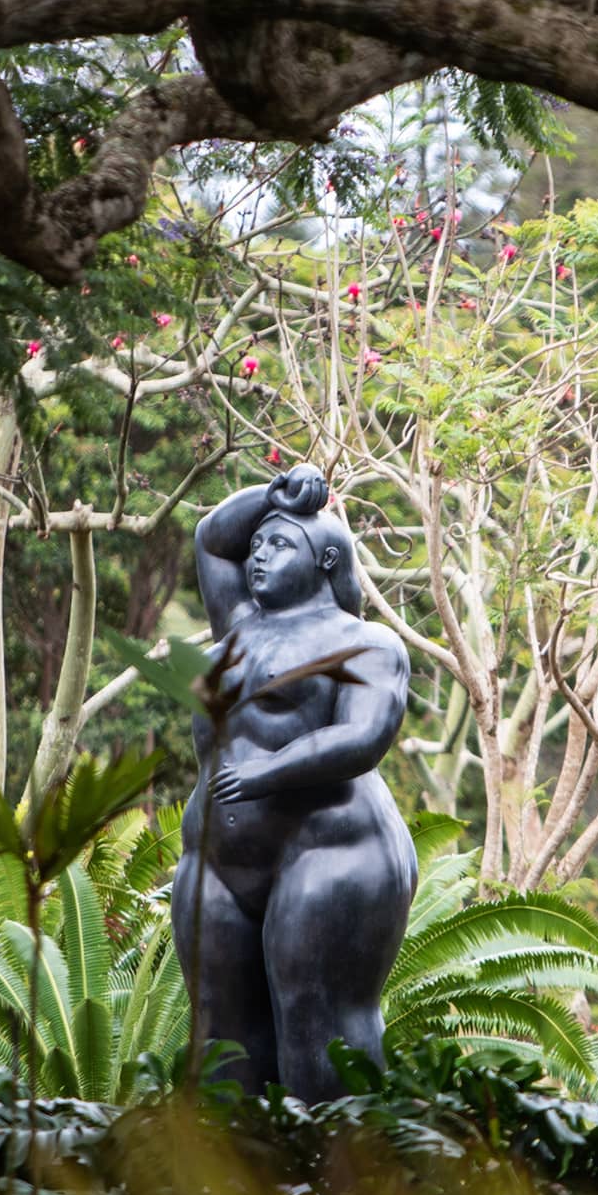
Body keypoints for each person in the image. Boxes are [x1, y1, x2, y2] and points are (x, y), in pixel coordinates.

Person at [171, 463, 415, 1101]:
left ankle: (335, 1184)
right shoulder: (239, 625)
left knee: (319, 1021)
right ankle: (231, 1185)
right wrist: (270, 498)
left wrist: (265, 774)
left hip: (332, 854)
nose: (257, 556)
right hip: (219, 862)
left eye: (279, 544)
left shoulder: (366, 644)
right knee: (219, 1028)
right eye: (257, 547)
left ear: (328, 558)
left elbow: (363, 738)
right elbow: (211, 538)